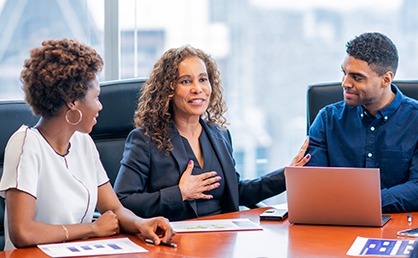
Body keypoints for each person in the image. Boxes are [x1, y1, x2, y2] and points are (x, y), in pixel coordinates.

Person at [0, 38, 174, 250]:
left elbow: (114, 209)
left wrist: (142, 223)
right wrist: (91, 229)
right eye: (96, 97)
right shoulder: (26, 145)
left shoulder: (84, 143)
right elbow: (22, 232)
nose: (100, 106)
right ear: (72, 101)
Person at [114, 45, 311, 221]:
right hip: (171, 240)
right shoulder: (145, 139)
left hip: (222, 239)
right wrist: (180, 193)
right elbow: (123, 202)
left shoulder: (220, 135)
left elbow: (237, 191)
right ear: (168, 90)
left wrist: (287, 175)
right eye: (185, 81)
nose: (197, 89)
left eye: (203, 79)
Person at [306, 32, 418, 212]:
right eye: (344, 73)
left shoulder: (415, 120)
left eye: (357, 77)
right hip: (336, 224)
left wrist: (362, 202)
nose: (345, 83)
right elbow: (313, 184)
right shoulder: (327, 119)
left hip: (398, 228)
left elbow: (416, 188)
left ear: (386, 79)